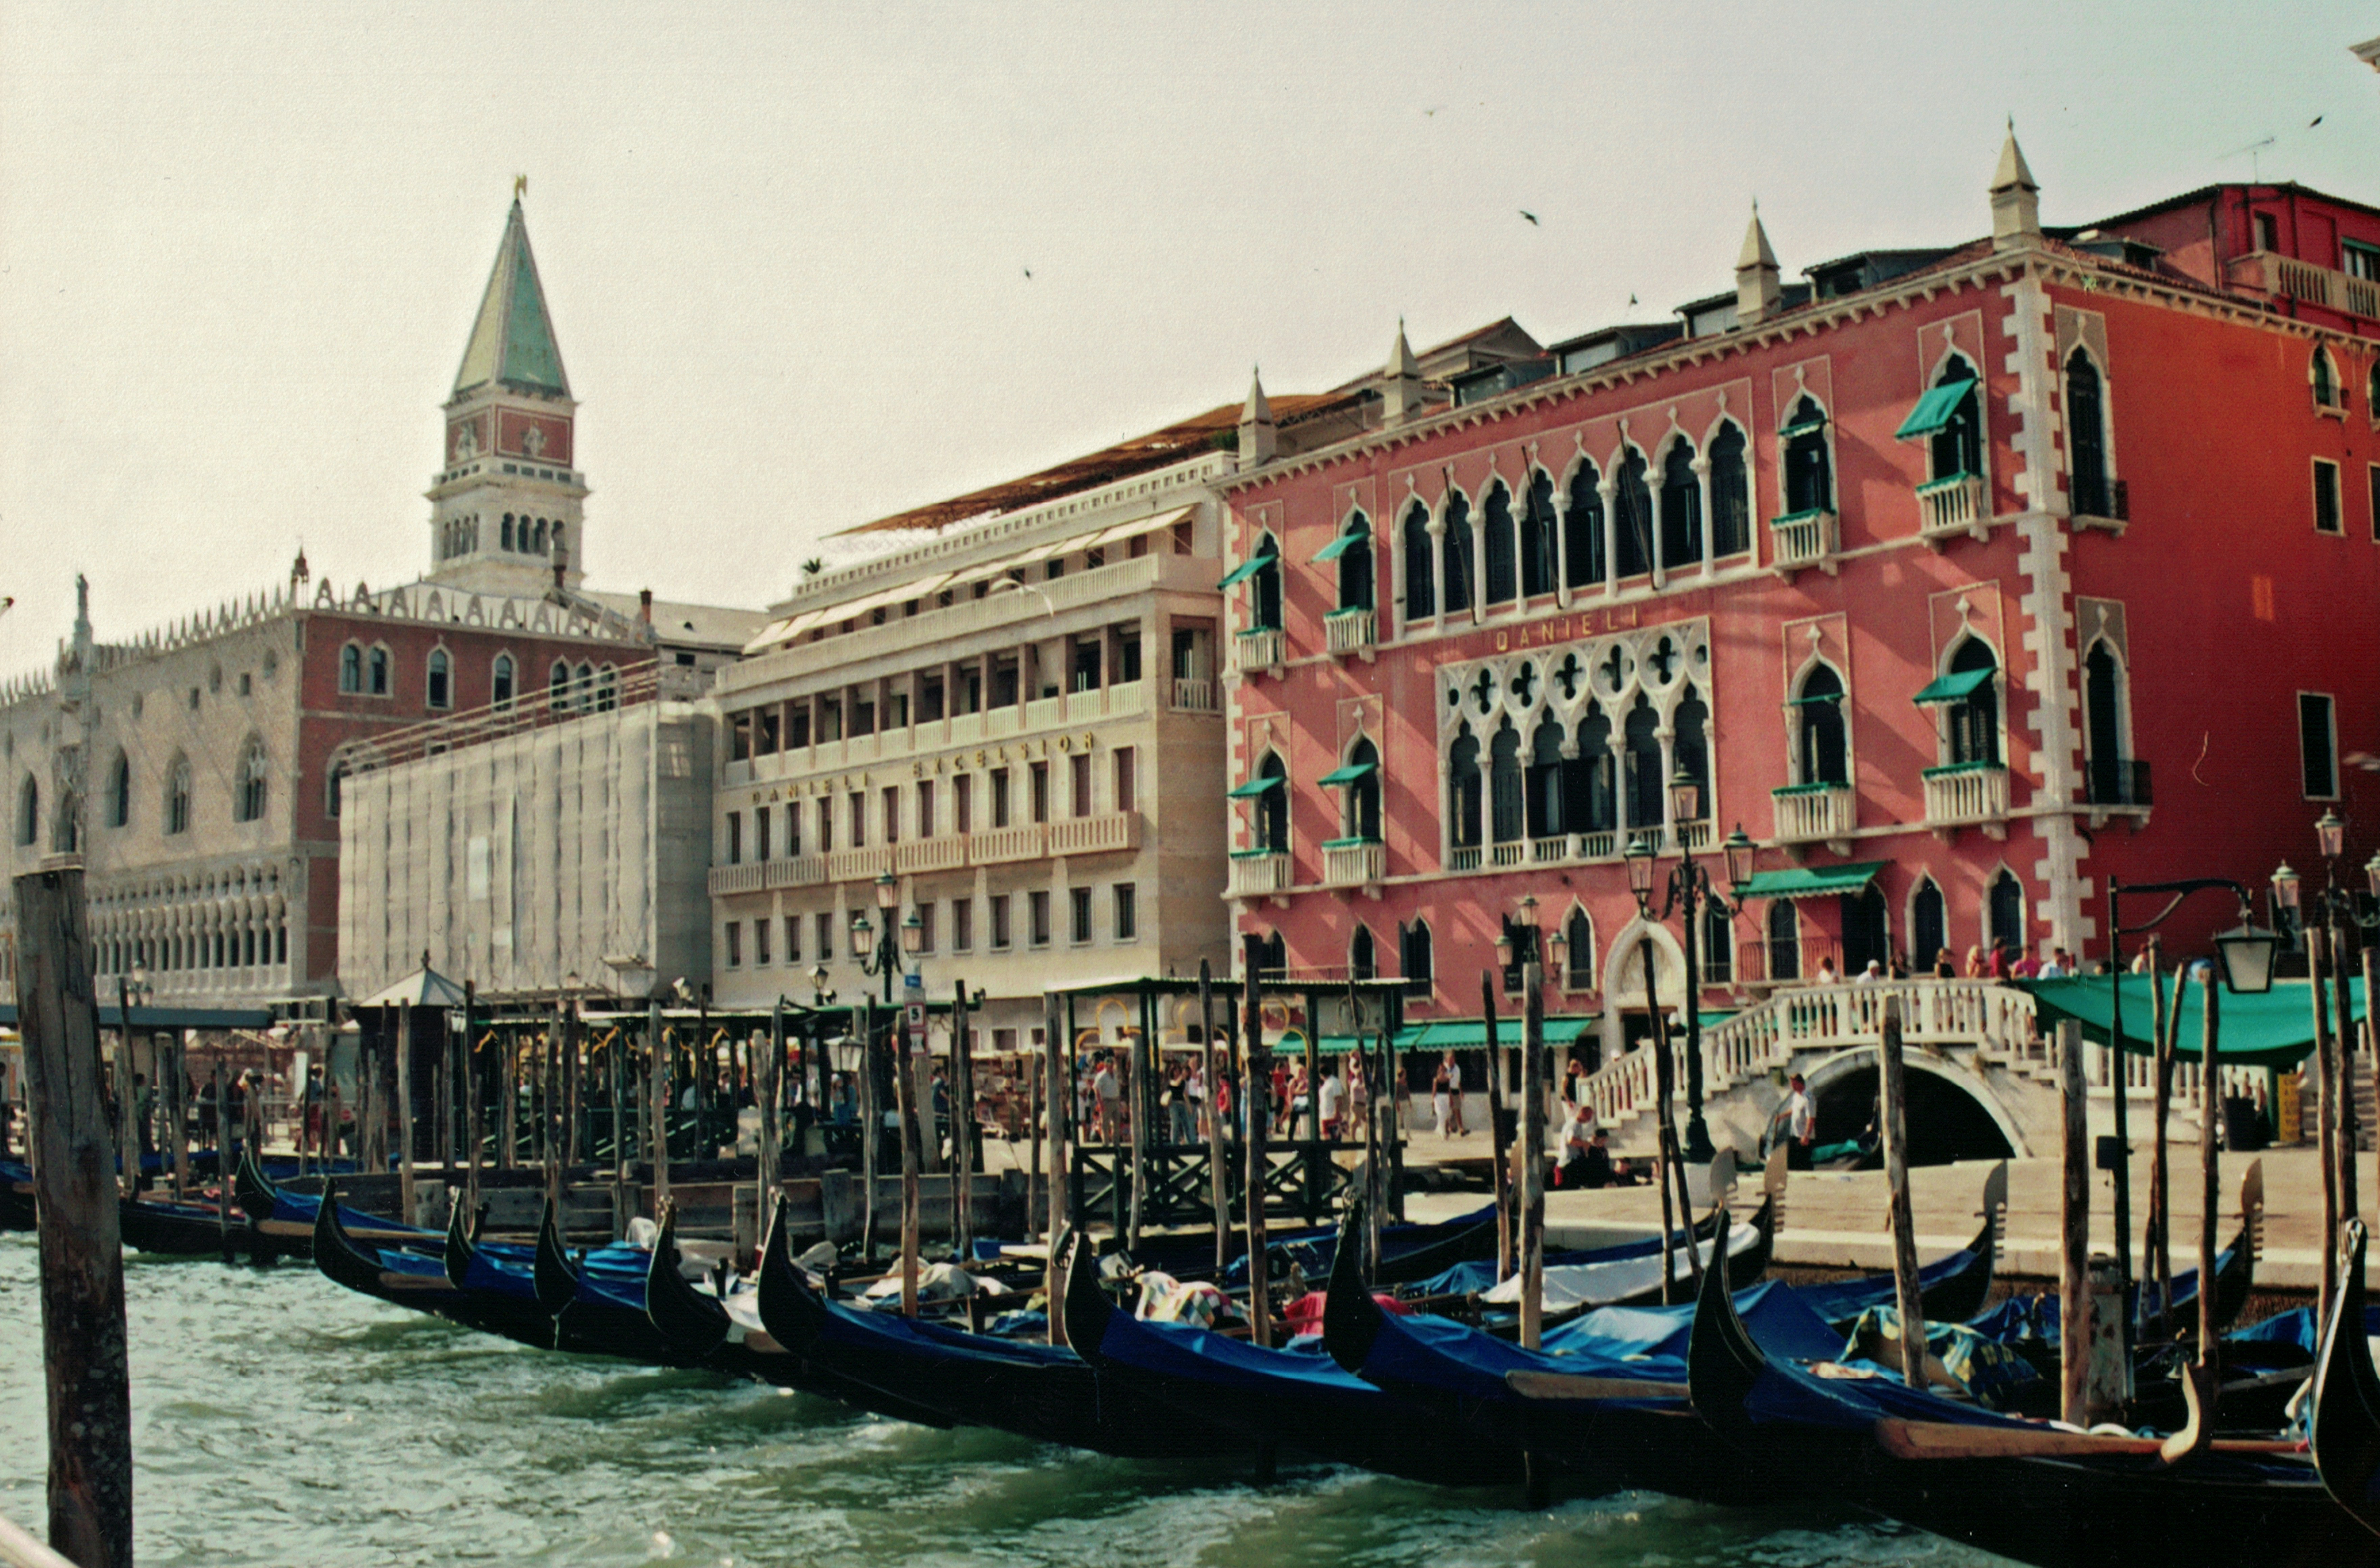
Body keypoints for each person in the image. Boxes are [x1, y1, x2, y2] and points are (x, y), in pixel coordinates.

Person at [1783, 1071, 1815, 1170]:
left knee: (1804, 1164)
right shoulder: (1796, 1096)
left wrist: (1806, 1136)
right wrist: (1781, 1116)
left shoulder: (1809, 1098)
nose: (1792, 1086)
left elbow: (1811, 1118)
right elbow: (1794, 1110)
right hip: (1794, 1135)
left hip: (1804, 1137)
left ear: (1800, 1083)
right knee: (1791, 1163)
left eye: (1794, 1083)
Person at [1316, 1066, 1344, 1142]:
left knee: (1335, 1139)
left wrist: (1337, 1112)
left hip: (1333, 1115)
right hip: (1324, 1115)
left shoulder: (1335, 1082)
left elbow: (1338, 1098)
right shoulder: (1325, 1083)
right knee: (1326, 1138)